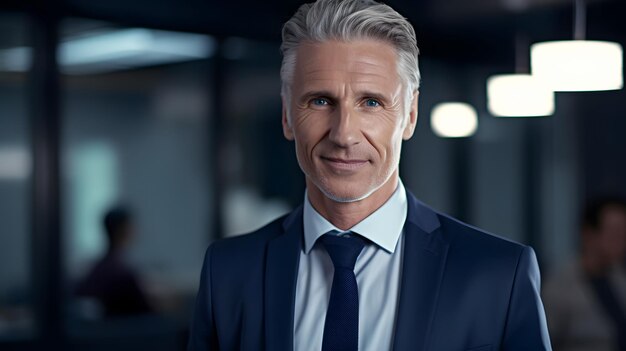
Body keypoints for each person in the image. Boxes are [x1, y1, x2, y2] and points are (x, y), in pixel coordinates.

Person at [188, 0, 551, 349]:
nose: (344, 134)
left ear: (410, 115)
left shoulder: (500, 274)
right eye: (320, 101)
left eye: (371, 102)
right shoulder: (228, 272)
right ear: (286, 115)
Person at [543, 198, 626, 351]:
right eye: (615, 232)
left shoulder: (619, 277)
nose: (622, 239)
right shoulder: (559, 286)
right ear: (588, 233)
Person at [76, 206, 152, 318]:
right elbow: (147, 312)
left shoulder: (98, 268)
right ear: (124, 229)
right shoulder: (122, 273)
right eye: (132, 226)